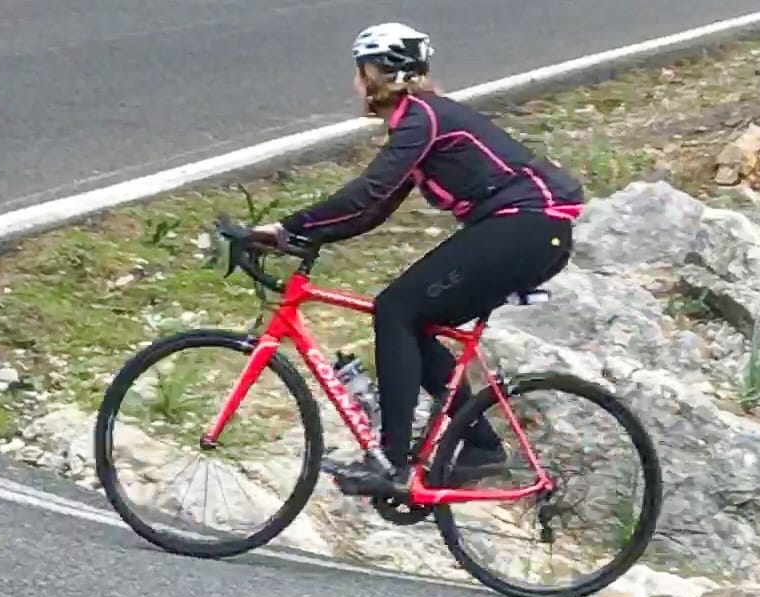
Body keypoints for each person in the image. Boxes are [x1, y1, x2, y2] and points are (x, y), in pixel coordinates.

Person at [250, 22, 584, 498]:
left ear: (376, 74)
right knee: (414, 321)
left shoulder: (422, 117)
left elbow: (368, 190)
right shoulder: (425, 119)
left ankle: (393, 462)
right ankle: (480, 446)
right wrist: (309, 237)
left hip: (525, 227)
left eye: (360, 71)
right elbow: (374, 211)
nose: (356, 83)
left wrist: (288, 226)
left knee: (396, 309)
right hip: (530, 232)